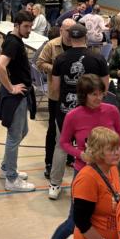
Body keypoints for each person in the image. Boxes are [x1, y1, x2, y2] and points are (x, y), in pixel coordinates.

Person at [41, 75, 120, 239]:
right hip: (85, 172)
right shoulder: (74, 116)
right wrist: (80, 154)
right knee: (76, 221)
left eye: (101, 93)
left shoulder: (112, 111)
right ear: (84, 95)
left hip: (109, 171)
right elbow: (63, 143)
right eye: (93, 94)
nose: (99, 98)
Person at [0, 10, 37, 192]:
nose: (29, 30)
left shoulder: (14, 40)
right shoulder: (13, 42)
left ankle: (6, 168)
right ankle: (11, 179)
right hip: (15, 97)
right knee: (14, 136)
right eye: (26, 26)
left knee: (21, 132)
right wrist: (11, 88)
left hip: (20, 96)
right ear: (17, 25)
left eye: (31, 26)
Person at [37, 19, 73, 180]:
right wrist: (56, 69)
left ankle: (70, 156)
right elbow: (40, 63)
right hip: (56, 95)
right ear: (61, 30)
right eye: (67, 30)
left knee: (72, 128)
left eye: (72, 30)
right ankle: (49, 162)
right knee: (53, 129)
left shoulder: (78, 45)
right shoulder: (51, 45)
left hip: (74, 96)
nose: (70, 34)